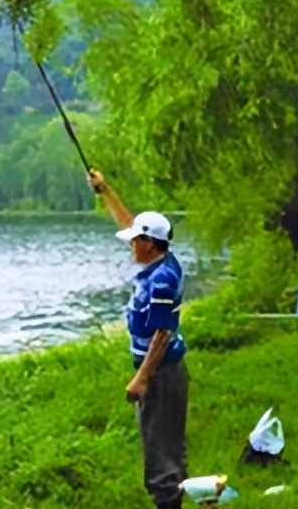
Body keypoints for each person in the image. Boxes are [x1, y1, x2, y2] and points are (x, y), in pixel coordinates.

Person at [86, 170, 188, 509]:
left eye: (134, 241)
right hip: (163, 373)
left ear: (148, 244)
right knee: (169, 450)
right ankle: (184, 496)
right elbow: (129, 221)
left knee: (160, 459)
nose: (130, 244)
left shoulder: (162, 279)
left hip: (160, 375)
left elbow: (162, 334)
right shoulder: (158, 256)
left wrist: (141, 379)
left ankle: (169, 502)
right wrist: (105, 191)